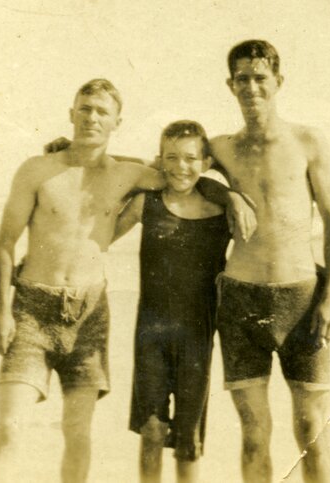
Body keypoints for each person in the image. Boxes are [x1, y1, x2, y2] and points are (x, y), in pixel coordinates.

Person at [0, 79, 253, 483]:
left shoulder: (127, 175)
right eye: (85, 108)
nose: (92, 117)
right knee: (9, 427)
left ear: (116, 123)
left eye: (102, 112)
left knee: (77, 432)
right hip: (33, 311)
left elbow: (183, 174)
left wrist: (231, 197)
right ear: (72, 113)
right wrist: (1, 312)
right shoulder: (37, 170)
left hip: (89, 313)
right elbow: (5, 243)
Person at [211, 40, 330, 483]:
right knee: (254, 433)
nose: (251, 87)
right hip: (240, 300)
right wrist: (226, 193)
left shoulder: (307, 141)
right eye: (242, 79)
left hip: (301, 299)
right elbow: (171, 168)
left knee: (311, 431)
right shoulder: (220, 148)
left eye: (260, 78)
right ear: (230, 85)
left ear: (278, 82)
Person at [112, 120, 232, 483]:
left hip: (198, 337)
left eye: (191, 158)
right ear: (160, 160)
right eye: (172, 157)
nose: (181, 166)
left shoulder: (221, 213)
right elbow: (98, 237)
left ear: (206, 162)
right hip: (151, 335)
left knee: (188, 441)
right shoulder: (145, 204)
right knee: (151, 432)